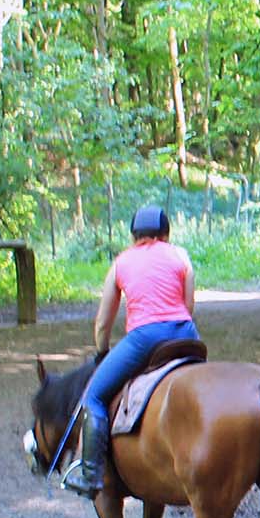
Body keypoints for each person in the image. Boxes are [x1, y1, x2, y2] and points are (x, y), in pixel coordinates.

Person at [63, 205, 200, 497]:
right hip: (185, 332)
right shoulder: (180, 255)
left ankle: (91, 474)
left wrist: (102, 351)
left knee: (95, 396)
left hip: (144, 338)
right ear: (165, 234)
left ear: (134, 236)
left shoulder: (121, 262)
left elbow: (103, 322)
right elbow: (188, 306)